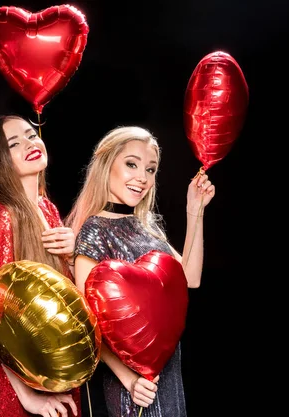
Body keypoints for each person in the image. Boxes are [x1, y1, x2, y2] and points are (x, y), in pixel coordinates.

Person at [65, 126, 216, 417]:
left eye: (150, 169)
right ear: (107, 164)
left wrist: (194, 209)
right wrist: (130, 379)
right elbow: (88, 324)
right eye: (131, 164)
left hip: (168, 373)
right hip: (133, 387)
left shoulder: (147, 225)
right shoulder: (93, 231)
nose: (142, 178)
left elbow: (191, 279)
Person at [0, 115, 81, 417]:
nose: (29, 144)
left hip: (54, 373)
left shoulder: (47, 208)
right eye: (14, 143)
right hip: (17, 386)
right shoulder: (2, 218)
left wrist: (73, 255)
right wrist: (28, 397)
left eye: (31, 135)